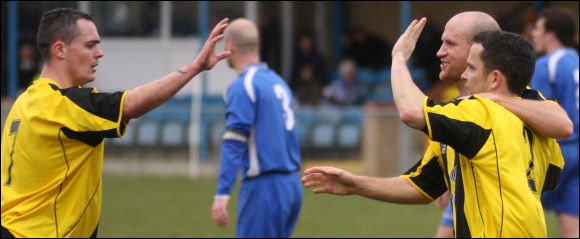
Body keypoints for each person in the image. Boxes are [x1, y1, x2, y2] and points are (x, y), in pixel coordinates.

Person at [302, 17, 565, 238]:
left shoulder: (479, 112)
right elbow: (424, 184)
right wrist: (357, 185)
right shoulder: (527, 116)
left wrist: (398, 59)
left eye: (450, 43)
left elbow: (411, 111)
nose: (440, 51)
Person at [0, 8, 230, 238]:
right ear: (60, 49)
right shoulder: (62, 105)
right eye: (90, 45)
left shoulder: (23, 103)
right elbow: (131, 105)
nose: (100, 53)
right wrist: (195, 66)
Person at [210, 18, 302, 238]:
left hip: (265, 187)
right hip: (291, 184)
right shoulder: (278, 82)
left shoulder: (243, 86)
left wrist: (223, 191)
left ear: (230, 47)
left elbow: (234, 140)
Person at [530, 7, 579, 238]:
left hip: (557, 151)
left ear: (552, 33)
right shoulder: (576, 62)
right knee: (572, 227)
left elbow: (537, 110)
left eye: (538, 27)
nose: (533, 33)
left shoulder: (545, 65)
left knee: (518, 211)